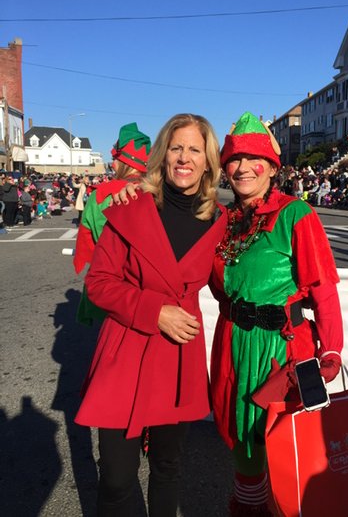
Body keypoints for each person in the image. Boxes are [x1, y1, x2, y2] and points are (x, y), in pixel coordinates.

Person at [74, 113, 227, 517]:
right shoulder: (130, 207)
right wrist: (155, 311)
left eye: (195, 149)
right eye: (176, 147)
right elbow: (99, 283)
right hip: (126, 347)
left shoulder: (220, 221)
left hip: (178, 357)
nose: (184, 157)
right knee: (116, 478)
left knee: (168, 465)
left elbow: (241, 278)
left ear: (209, 161)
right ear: (162, 155)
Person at [209, 112, 343, 516]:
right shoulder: (221, 220)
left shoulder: (295, 215)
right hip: (233, 341)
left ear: (271, 167)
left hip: (281, 350)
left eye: (254, 160)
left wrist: (331, 350)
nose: (243, 168)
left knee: (285, 440)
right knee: (242, 438)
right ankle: (250, 507)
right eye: (234, 160)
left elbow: (324, 290)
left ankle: (286, 507)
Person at [73, 122, 152, 326]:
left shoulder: (99, 195)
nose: (113, 164)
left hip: (109, 285)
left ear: (126, 162)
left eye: (116, 159)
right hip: (147, 289)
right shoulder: (158, 194)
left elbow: (88, 241)